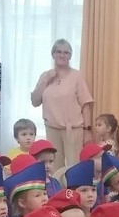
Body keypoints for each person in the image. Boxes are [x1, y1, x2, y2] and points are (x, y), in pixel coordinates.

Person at [30, 40, 94, 169]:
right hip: (52, 129)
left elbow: (86, 104)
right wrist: (46, 80)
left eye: (66, 52)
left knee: (74, 167)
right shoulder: (45, 76)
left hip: (73, 130)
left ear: (70, 56)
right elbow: (35, 102)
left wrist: (88, 131)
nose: (62, 55)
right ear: (53, 54)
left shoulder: (76, 76)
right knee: (54, 167)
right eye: (59, 52)